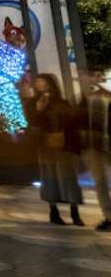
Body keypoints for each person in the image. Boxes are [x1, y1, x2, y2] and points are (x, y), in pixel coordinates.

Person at [22, 73, 83, 226]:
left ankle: (74, 212)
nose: (39, 84)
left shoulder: (61, 102)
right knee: (49, 178)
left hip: (64, 146)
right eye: (38, 82)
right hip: (45, 145)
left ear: (50, 84)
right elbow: (31, 121)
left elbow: (71, 122)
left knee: (69, 178)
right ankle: (53, 211)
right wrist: (39, 109)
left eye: (43, 82)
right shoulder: (33, 102)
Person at [80, 69, 111, 231]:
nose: (96, 79)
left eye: (99, 76)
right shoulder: (88, 99)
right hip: (93, 147)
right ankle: (108, 216)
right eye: (94, 76)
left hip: (106, 145)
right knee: (100, 184)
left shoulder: (107, 95)